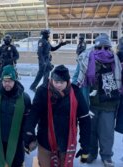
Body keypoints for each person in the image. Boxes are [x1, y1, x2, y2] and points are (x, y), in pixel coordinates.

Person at [24, 65, 91, 167]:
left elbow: (85, 119)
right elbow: (34, 113)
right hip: (45, 140)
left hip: (66, 142)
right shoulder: (42, 91)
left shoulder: (76, 92)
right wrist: (29, 133)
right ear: (51, 80)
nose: (58, 85)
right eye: (56, 82)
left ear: (67, 81)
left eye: (62, 82)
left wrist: (85, 145)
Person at [76, 34, 121, 167]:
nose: (103, 50)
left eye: (106, 47)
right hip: (91, 104)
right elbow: (77, 79)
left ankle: (107, 156)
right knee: (91, 131)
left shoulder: (116, 61)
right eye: (99, 47)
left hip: (109, 104)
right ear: (94, 47)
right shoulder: (86, 60)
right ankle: (91, 153)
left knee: (107, 133)